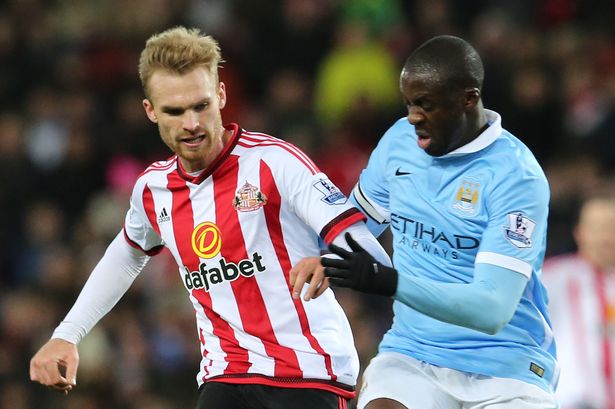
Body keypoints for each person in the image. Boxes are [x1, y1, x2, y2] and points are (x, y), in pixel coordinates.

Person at [29, 26, 391, 409]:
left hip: (306, 372)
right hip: (225, 375)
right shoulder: (153, 189)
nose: (191, 124)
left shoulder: (275, 163)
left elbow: (368, 248)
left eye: (201, 106)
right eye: (174, 111)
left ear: (221, 96)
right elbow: (127, 253)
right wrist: (67, 334)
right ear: (150, 111)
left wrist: (332, 263)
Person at [319, 35, 558, 408]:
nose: (413, 116)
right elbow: (351, 231)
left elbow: (491, 310)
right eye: (409, 103)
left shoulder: (516, 175)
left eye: (426, 105)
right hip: (414, 355)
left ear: (468, 98)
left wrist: (390, 282)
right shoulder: (400, 141)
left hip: (506, 365)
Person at [542, 192, 615, 409]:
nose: (605, 237)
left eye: (611, 227)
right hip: (568, 401)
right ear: (579, 232)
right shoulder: (551, 277)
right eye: (598, 228)